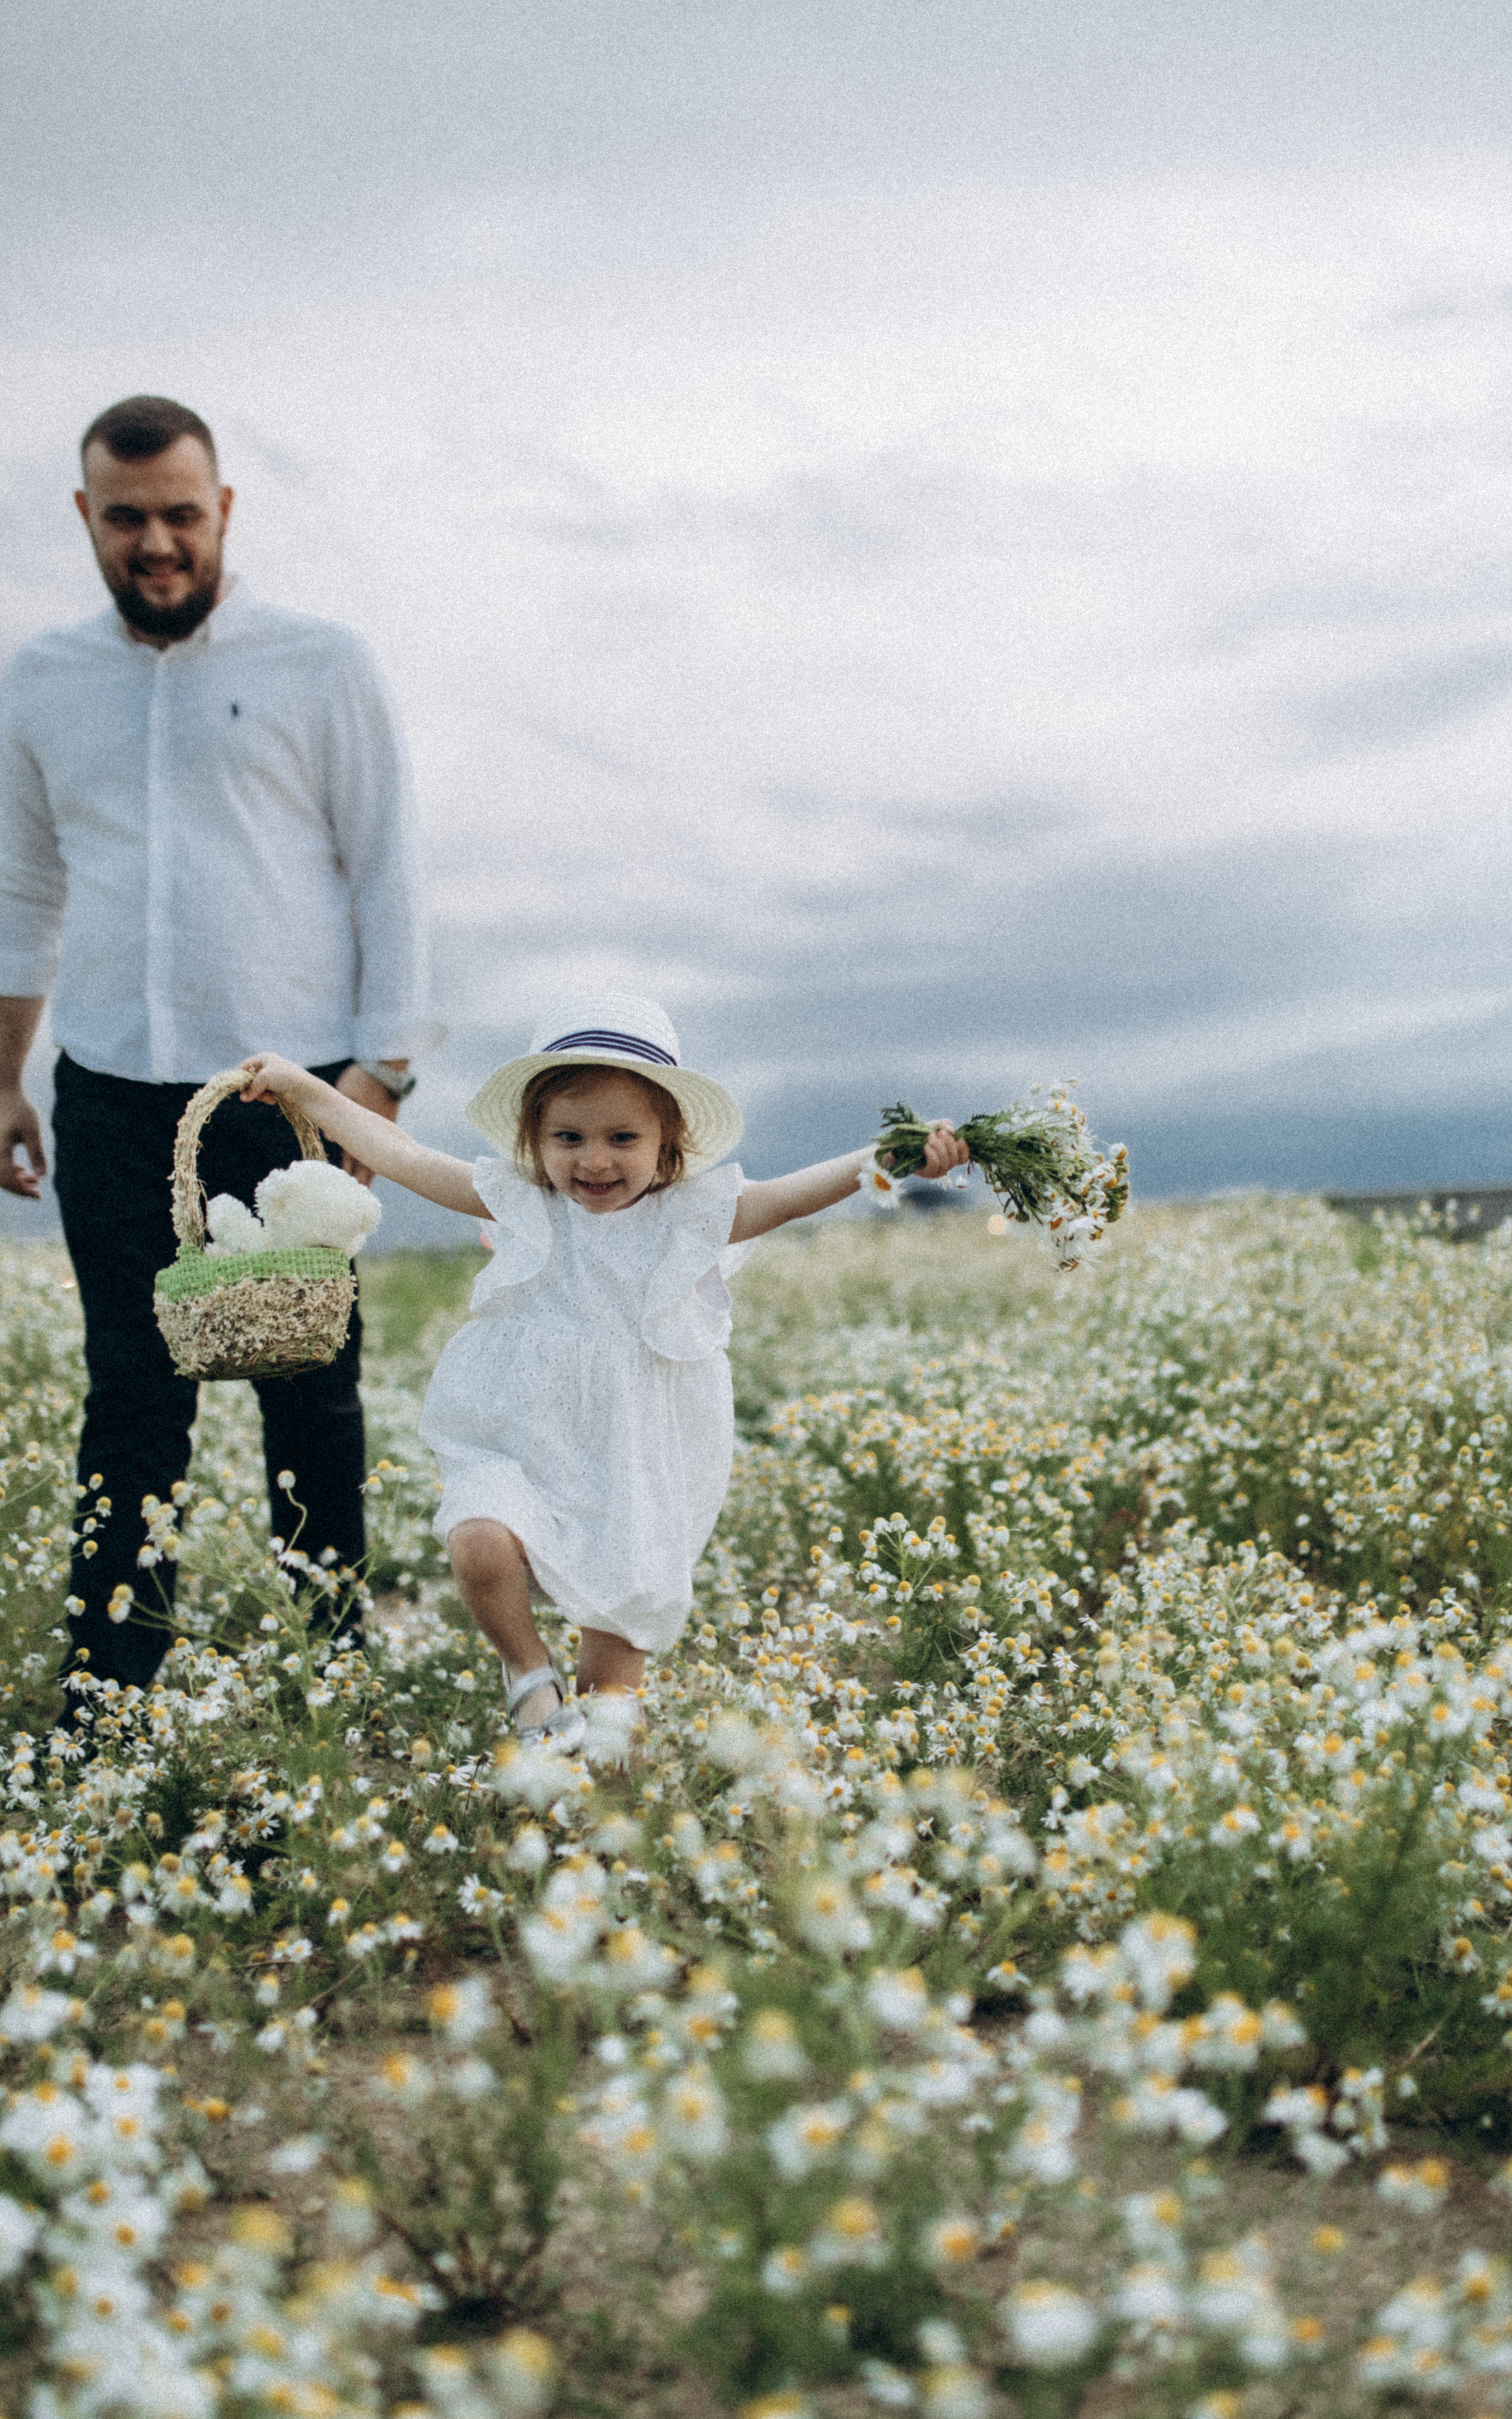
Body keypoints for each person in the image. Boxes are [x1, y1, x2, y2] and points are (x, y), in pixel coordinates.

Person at [0, 395, 440, 1688]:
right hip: (109, 1094)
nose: (156, 542)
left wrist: (381, 1077)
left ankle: (329, 1667)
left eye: (180, 514)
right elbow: (24, 890)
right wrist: (3, 1075)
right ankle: (113, 1696)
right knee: (133, 1393)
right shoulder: (38, 680)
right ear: (86, 516)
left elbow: (392, 875)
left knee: (311, 1393)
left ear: (224, 510)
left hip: (296, 1097)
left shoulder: (322, 663)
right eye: (127, 517)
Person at [238, 994, 968, 1746]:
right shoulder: (523, 1204)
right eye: (568, 1136)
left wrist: (891, 1157)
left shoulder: (692, 1216)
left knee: (611, 1698)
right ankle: (526, 1675)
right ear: (533, 1137)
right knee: (478, 1538)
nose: (593, 1160)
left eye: (623, 1137)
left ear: (668, 1140)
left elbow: (794, 1194)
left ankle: (599, 1819)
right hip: (522, 1436)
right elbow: (401, 1154)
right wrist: (300, 1086)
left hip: (637, 1463)